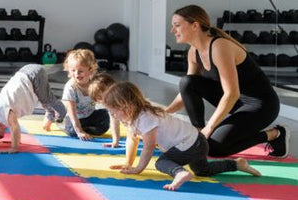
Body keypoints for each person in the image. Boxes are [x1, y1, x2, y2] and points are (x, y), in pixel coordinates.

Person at [164, 4, 287, 158]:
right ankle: (198, 135)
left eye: (177, 26)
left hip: (261, 106)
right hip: (237, 103)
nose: (172, 31)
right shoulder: (193, 52)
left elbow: (231, 93)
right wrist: (163, 113)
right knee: (187, 82)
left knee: (215, 148)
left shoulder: (219, 47)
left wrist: (209, 128)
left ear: (195, 25)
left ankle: (275, 134)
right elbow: (186, 91)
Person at [104, 80, 260, 191]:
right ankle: (237, 164)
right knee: (202, 170)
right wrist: (128, 163)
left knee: (161, 162)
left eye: (113, 110)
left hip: (190, 144)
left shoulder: (145, 118)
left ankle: (180, 173)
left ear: (127, 106)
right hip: (197, 142)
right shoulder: (136, 117)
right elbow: (132, 138)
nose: (113, 115)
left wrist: (138, 168)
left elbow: (149, 146)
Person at [0, 64, 66, 153]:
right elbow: (7, 129)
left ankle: (62, 111)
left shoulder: (2, 111)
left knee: (47, 99)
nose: (0, 138)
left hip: (32, 76)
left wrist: (14, 147)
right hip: (26, 73)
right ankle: (50, 114)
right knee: (42, 99)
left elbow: (15, 127)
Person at [60, 49, 110, 140]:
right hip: (74, 118)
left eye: (80, 71)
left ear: (90, 69)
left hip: (90, 115)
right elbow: (72, 113)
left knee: (105, 117)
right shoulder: (70, 87)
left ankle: (86, 129)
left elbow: (106, 100)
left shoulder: (95, 84)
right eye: (73, 70)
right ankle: (82, 129)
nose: (76, 74)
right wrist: (79, 131)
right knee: (72, 131)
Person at [86, 72, 122, 147]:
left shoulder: (121, 102)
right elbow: (114, 123)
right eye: (99, 98)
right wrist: (115, 141)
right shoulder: (110, 107)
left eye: (106, 95)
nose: (104, 100)